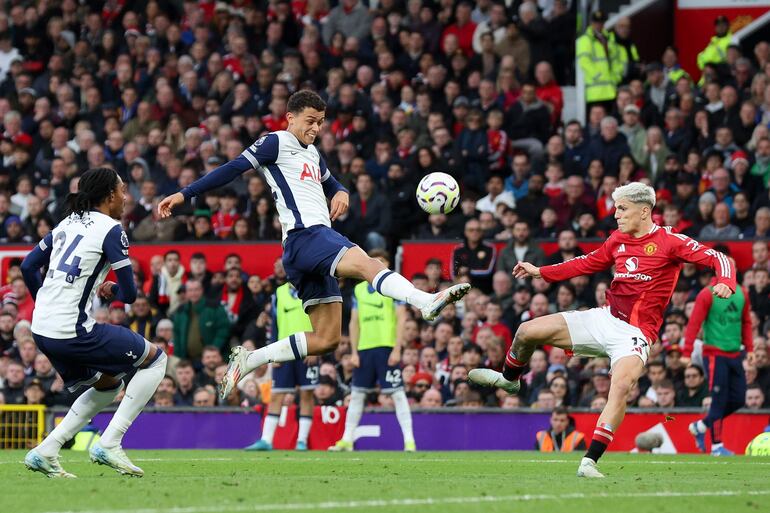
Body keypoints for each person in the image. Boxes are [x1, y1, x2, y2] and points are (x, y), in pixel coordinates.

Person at [157, 91, 469, 400]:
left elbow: (331, 181)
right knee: (367, 263)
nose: (316, 128)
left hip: (306, 248)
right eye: (310, 121)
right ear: (290, 118)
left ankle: (250, 359)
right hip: (306, 236)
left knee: (326, 339)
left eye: (320, 122)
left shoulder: (312, 152)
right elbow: (232, 169)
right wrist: (185, 194)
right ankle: (423, 301)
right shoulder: (275, 142)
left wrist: (342, 191)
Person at [469, 182, 735, 478]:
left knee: (620, 386)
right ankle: (509, 380)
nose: (616, 215)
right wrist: (541, 272)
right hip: (605, 318)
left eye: (622, 208)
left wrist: (725, 281)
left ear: (644, 211)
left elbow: (719, 258)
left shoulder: (670, 241)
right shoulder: (618, 238)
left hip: (635, 334)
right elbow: (586, 262)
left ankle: (589, 462)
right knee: (526, 331)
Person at [20, 167, 167, 478]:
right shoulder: (112, 230)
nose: (127, 198)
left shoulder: (65, 223)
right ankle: (110, 442)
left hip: (41, 328)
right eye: (123, 191)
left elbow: (29, 264)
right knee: (156, 359)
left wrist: (45, 302)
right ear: (110, 195)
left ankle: (46, 450)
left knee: (108, 383)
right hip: (72, 330)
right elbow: (129, 294)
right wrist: (112, 288)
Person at [329, 249, 415, 452]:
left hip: (386, 348)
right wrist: (355, 352)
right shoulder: (359, 290)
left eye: (382, 261)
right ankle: (347, 439)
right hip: (365, 349)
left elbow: (402, 318)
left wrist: (397, 348)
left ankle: (409, 441)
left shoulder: (395, 287)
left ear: (388, 265)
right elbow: (354, 323)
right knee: (357, 394)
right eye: (374, 261)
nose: (378, 264)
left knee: (397, 394)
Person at [684, 255, 753, 456]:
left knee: (739, 399)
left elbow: (746, 323)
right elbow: (694, 324)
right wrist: (687, 352)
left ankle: (701, 426)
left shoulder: (743, 294)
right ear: (719, 271)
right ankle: (716, 447)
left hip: (735, 354)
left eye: (732, 268)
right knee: (718, 399)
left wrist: (748, 349)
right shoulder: (707, 294)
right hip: (714, 354)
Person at [244, 282, 318, 451]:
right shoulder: (279, 293)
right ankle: (267, 440)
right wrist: (273, 353)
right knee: (277, 394)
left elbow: (321, 320)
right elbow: (275, 325)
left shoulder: (313, 288)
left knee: (307, 394)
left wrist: (317, 348)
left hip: (308, 348)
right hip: (285, 350)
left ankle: (302, 441)